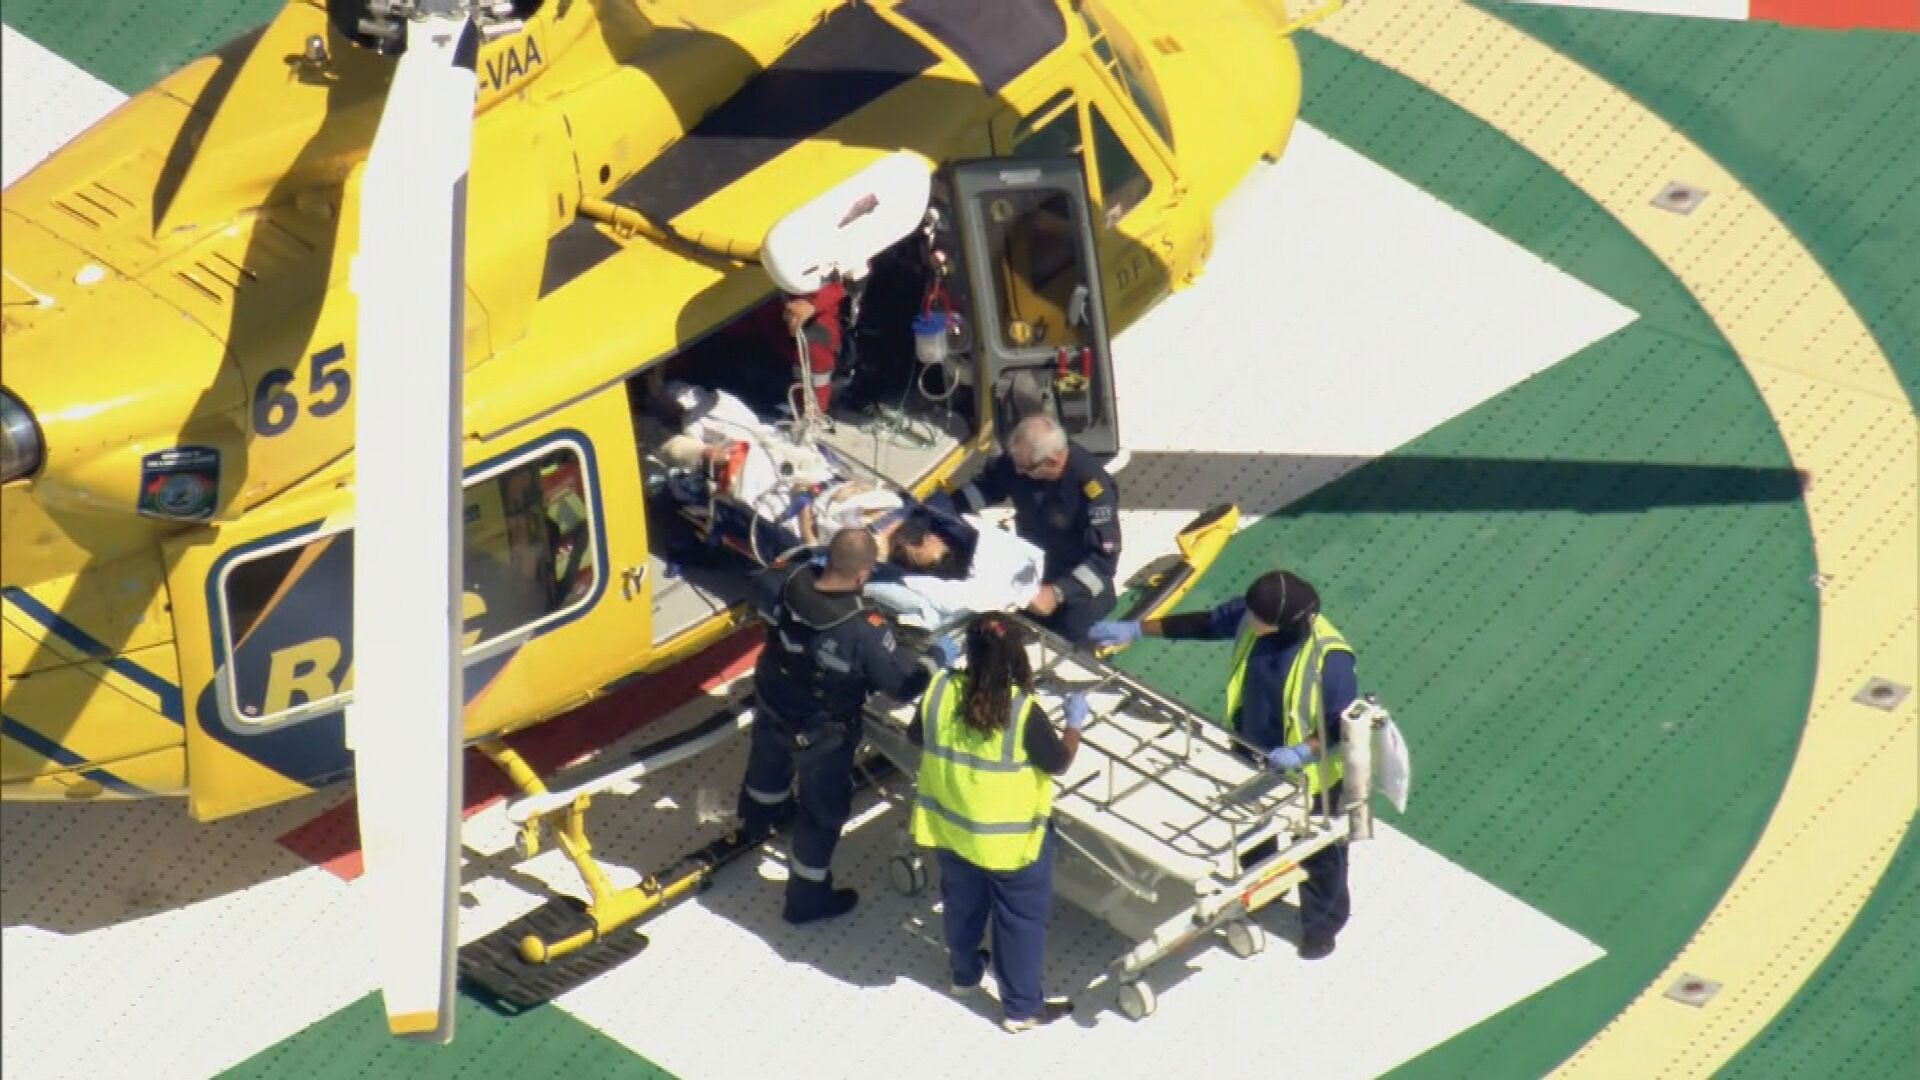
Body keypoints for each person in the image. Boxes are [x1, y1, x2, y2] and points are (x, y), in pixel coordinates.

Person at [1087, 570, 1357, 960]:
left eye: (1258, 618)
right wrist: (1139, 629)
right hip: (1250, 752)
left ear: (1285, 623)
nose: (1249, 621)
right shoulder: (1256, 615)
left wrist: (1301, 751)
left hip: (1310, 776)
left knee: (1320, 854)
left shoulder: (1330, 663)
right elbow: (1207, 623)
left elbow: (1341, 726)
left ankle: (1322, 926)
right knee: (1251, 832)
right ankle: (1262, 890)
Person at [736, 528, 938, 924]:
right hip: (821, 730)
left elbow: (757, 584)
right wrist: (932, 659)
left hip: (773, 696)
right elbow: (901, 687)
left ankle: (758, 821)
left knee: (767, 763)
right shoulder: (865, 628)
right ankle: (807, 898)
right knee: (822, 812)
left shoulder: (785, 580)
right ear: (864, 575)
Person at [910, 613, 1086, 1033]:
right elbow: (1057, 762)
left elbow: (918, 738)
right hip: (1011, 842)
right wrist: (1074, 724)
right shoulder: (1022, 711)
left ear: (968, 651)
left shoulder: (938, 691)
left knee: (962, 905)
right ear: (1016, 656)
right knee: (1018, 923)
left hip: (951, 828)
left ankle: (965, 974)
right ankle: (1022, 1008)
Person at [943, 414, 1121, 643]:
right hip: (1032, 574)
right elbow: (988, 485)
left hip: (1078, 596)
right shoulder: (1023, 460)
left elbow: (1104, 561)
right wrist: (944, 507)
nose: (1017, 473)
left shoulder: (1093, 489)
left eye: (1025, 468)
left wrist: (1058, 593)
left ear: (1053, 461)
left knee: (1073, 650)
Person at [865, 512, 1045, 629]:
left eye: (922, 538)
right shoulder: (948, 530)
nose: (929, 538)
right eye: (924, 537)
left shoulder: (930, 587)